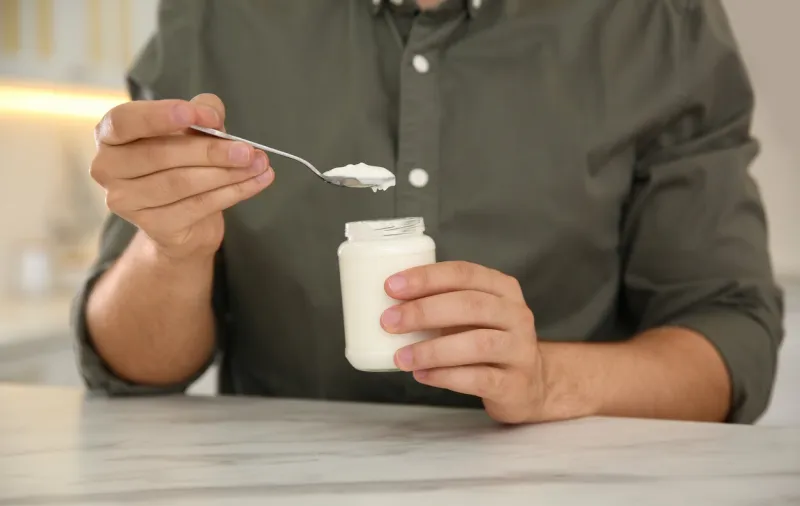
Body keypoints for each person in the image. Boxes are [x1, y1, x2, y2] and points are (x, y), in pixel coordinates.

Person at [74, 0, 784, 425]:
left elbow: (728, 336)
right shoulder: (216, 17)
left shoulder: (656, 24)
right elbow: (132, 368)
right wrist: (170, 251)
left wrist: (548, 380)